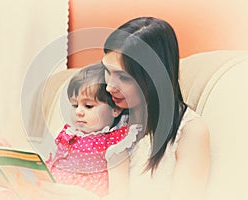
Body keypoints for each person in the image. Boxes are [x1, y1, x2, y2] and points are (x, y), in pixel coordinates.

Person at [15, 17, 210, 200]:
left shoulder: (190, 132)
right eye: (107, 71)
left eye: (123, 77)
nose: (109, 86)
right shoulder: (106, 116)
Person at [46, 63, 141, 197]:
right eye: (75, 105)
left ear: (115, 109)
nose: (78, 111)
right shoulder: (68, 135)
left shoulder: (115, 146)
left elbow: (119, 193)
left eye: (88, 106)